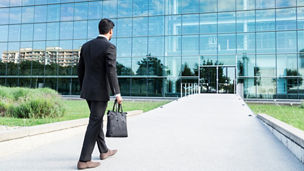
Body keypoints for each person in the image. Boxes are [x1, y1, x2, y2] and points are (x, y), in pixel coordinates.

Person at [77, 18, 123, 170]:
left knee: (96, 120)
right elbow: (111, 70)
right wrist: (117, 93)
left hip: (88, 90)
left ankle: (104, 151)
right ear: (110, 31)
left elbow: (80, 70)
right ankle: (84, 160)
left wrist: (84, 86)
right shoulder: (109, 47)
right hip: (100, 92)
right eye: (113, 31)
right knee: (95, 122)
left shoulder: (86, 46)